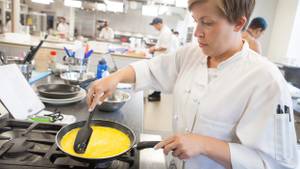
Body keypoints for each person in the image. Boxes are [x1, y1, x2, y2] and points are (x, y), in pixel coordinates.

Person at [87, 0, 298, 169]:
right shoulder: (191, 54)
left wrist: (204, 145)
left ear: (238, 23)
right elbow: (152, 68)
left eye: (207, 22)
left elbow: (274, 164)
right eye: (196, 20)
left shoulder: (265, 80)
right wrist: (115, 77)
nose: (197, 32)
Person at [148, 17, 179, 101]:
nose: (154, 27)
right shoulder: (163, 31)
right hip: (161, 58)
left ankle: (157, 95)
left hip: (164, 58)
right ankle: (156, 93)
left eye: (154, 25)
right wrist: (155, 47)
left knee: (159, 77)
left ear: (159, 24)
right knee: (158, 76)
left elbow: (164, 48)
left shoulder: (165, 32)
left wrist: (154, 49)